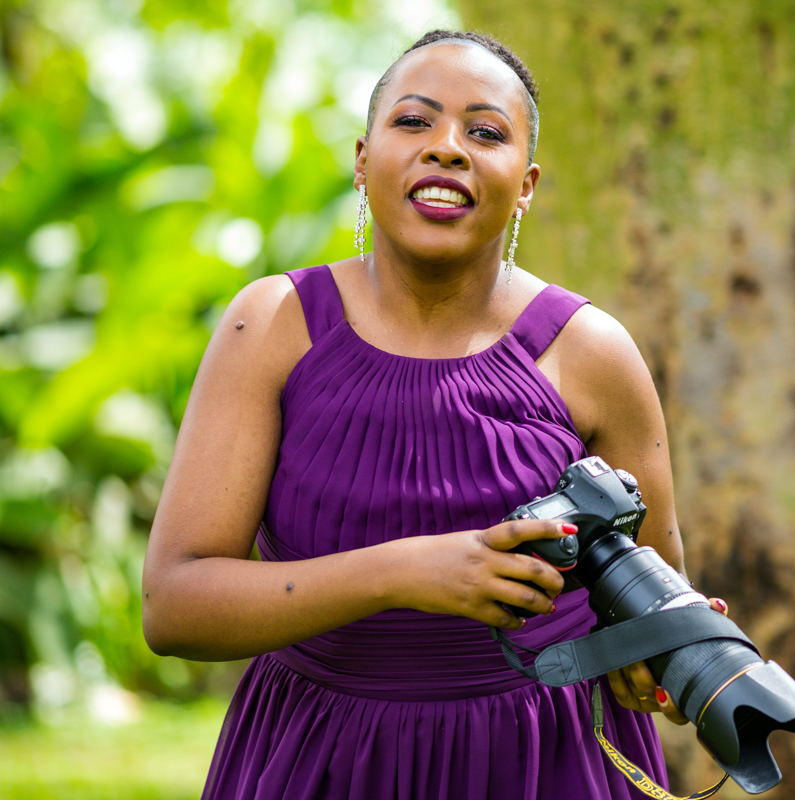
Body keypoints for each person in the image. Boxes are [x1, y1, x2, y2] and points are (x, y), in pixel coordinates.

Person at [142, 29, 716, 800]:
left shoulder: (591, 353)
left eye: (485, 132)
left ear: (528, 184)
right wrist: (404, 572)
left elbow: (651, 596)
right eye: (414, 122)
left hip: (545, 762)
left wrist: (664, 661)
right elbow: (175, 607)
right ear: (361, 159)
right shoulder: (273, 325)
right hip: (320, 757)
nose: (447, 147)